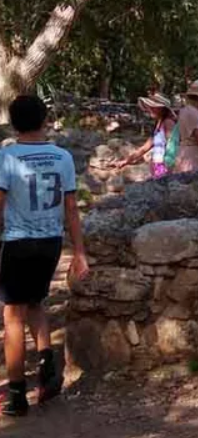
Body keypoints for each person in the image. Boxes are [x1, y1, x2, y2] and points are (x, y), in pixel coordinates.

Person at [0, 95, 89, 416]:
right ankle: (48, 365)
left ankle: (16, 394)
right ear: (44, 119)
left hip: (18, 242)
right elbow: (71, 210)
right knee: (37, 303)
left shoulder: (6, 157)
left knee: (13, 315)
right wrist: (79, 251)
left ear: (14, 122)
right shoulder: (62, 157)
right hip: (50, 241)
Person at [115, 93, 176, 177]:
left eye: (153, 107)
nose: (150, 109)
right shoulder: (159, 124)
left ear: (161, 109)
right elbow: (143, 149)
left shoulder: (168, 123)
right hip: (157, 164)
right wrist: (126, 161)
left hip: (163, 165)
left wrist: (166, 165)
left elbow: (173, 147)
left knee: (161, 186)